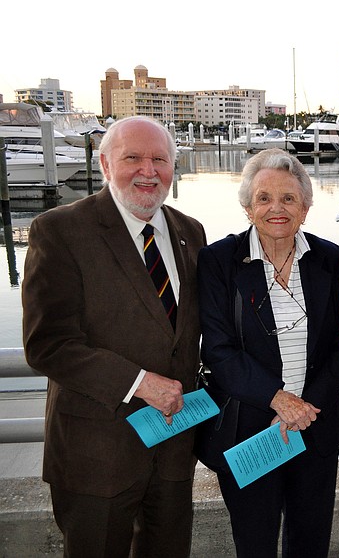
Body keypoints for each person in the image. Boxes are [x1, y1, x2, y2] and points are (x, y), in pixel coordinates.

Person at [21, 115, 206, 557]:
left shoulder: (190, 232)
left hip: (174, 448)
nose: (148, 170)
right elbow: (48, 343)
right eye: (133, 158)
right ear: (105, 165)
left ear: (173, 167)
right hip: (96, 455)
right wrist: (139, 382)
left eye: (160, 159)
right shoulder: (60, 230)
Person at [195, 148, 339, 557]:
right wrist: (278, 400)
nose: (276, 209)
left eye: (288, 198)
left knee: (310, 540)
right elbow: (218, 349)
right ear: (247, 207)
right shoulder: (219, 261)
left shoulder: (330, 259)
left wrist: (305, 407)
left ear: (306, 206)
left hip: (315, 427)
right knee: (255, 541)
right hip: (249, 430)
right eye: (264, 198)